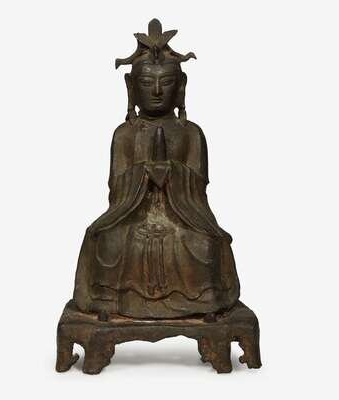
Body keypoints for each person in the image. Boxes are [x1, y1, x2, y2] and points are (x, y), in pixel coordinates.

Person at [73, 19, 240, 319]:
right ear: (131, 87)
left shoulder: (190, 134)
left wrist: (173, 172)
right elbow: (116, 190)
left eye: (167, 82)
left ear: (181, 86)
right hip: (133, 215)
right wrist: (143, 174)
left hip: (182, 217)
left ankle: (203, 303)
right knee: (107, 240)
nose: (158, 91)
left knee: (204, 245)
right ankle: (109, 301)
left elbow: (199, 190)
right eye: (148, 83)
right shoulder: (124, 135)